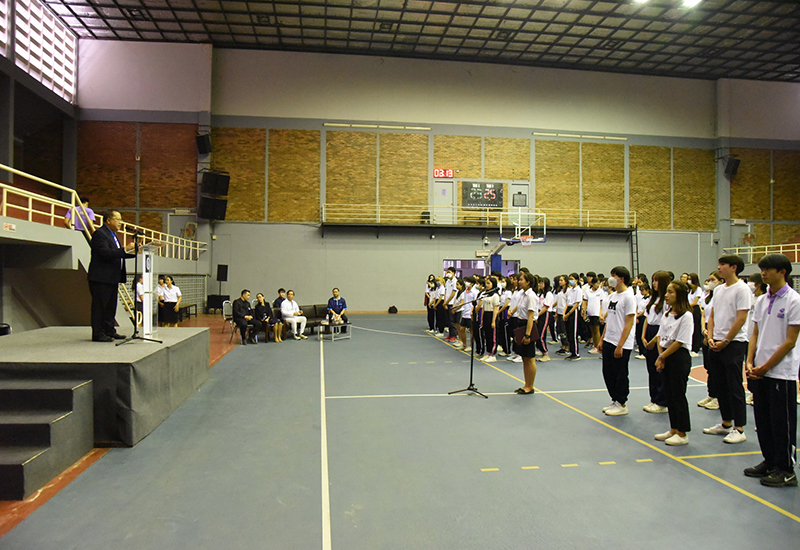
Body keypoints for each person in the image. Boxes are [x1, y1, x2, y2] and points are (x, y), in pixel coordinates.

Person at [744, 254, 799, 487]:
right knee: (763, 421)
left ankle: (786, 470)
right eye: (762, 269)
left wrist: (766, 367)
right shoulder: (762, 301)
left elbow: (790, 342)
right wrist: (750, 361)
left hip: (780, 373)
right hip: (760, 370)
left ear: (782, 272)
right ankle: (770, 461)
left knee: (781, 423)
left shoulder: (794, 301)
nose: (763, 274)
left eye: (768, 269)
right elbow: (755, 333)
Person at [703, 254, 749, 444]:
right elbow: (712, 315)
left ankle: (739, 428)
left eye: (723, 264)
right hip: (716, 342)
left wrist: (726, 341)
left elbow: (741, 318)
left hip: (734, 343)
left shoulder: (742, 289)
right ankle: (726, 422)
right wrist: (711, 336)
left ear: (733, 267)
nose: (719, 267)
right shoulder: (720, 289)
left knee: (734, 386)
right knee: (720, 384)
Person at [653, 281, 695, 446]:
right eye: (667, 292)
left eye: (670, 292)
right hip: (665, 356)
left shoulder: (687, 316)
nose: (666, 295)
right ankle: (673, 429)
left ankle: (682, 433)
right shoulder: (667, 314)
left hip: (678, 357)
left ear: (680, 295)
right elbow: (660, 336)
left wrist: (662, 356)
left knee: (678, 395)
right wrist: (661, 356)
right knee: (669, 394)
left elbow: (679, 341)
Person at [87, 210, 136, 342]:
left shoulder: (113, 235)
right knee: (100, 307)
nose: (121, 222)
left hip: (112, 277)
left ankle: (109, 330)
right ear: (108, 220)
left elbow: (117, 253)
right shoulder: (100, 234)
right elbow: (106, 253)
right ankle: (98, 333)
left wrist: (134, 251)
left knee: (110, 307)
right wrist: (125, 249)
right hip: (101, 277)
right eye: (118, 219)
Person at [598, 266, 637, 416]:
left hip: (621, 343)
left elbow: (629, 323)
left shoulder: (629, 297)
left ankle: (621, 402)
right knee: (608, 372)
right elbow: (610, 319)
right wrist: (602, 339)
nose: (611, 279)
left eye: (613, 276)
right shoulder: (613, 296)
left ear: (621, 278)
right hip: (609, 339)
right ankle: (614, 399)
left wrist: (620, 345)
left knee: (620, 373)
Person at [642, 271, 671, 414]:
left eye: (657, 280)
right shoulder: (652, 299)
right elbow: (647, 319)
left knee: (660, 368)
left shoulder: (666, 301)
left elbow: (665, 323)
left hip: (660, 334)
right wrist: (643, 336)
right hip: (650, 331)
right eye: (653, 280)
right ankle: (654, 398)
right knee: (651, 368)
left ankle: (662, 401)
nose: (654, 283)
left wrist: (654, 339)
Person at [513, 271, 538, 395]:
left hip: (528, 326)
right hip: (520, 324)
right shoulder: (522, 294)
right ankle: (526, 384)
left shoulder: (531, 296)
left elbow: (531, 316)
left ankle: (530, 386)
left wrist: (527, 335)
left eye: (521, 279)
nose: (519, 281)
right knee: (524, 358)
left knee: (530, 357)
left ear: (528, 282)